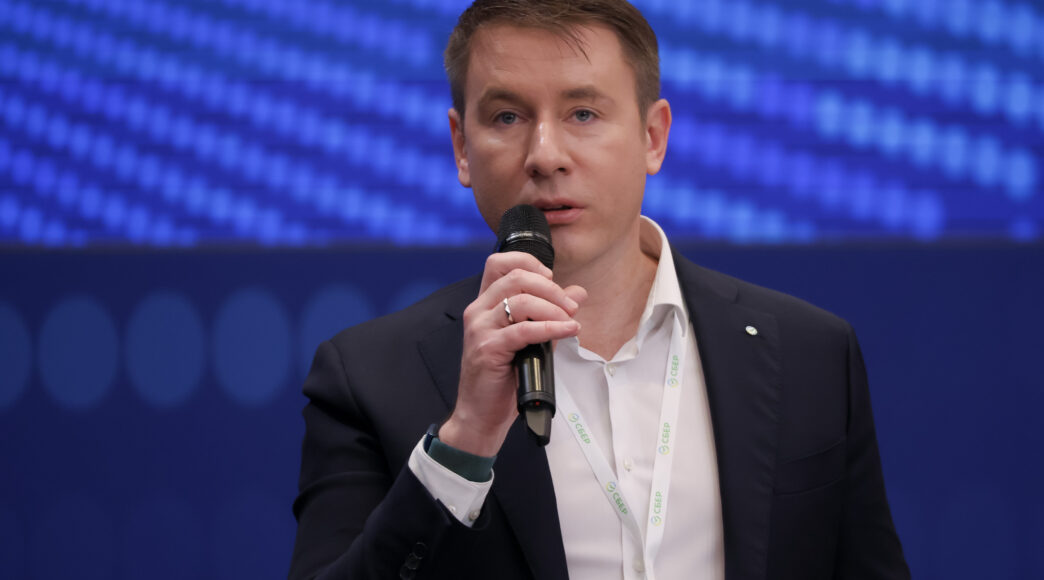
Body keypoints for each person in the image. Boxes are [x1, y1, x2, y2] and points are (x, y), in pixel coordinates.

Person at [288, 1, 910, 579]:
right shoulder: (368, 377)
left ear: (652, 136)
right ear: (462, 148)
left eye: (582, 113)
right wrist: (466, 441)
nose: (545, 155)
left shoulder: (809, 354)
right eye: (507, 117)